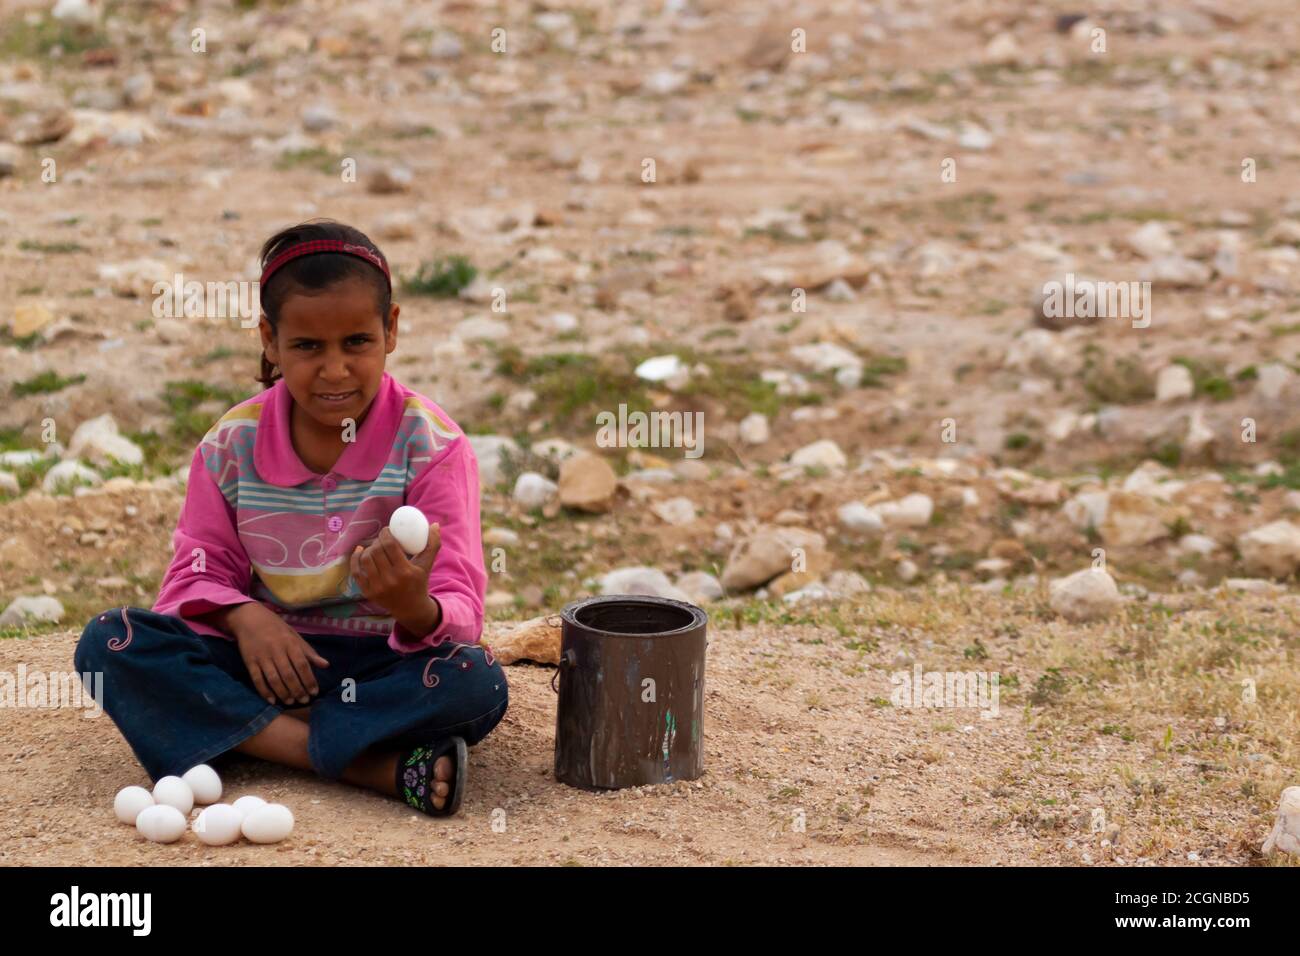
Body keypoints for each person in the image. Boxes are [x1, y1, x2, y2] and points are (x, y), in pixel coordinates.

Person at [75, 220, 507, 817]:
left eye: (357, 342)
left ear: (392, 330)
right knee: (111, 641)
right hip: (263, 661)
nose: (334, 370)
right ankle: (368, 764)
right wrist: (245, 616)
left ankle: (251, 733)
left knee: (474, 682)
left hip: (385, 661)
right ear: (270, 341)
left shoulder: (432, 447)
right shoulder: (230, 445)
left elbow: (459, 611)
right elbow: (191, 577)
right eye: (307, 346)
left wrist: (411, 604)